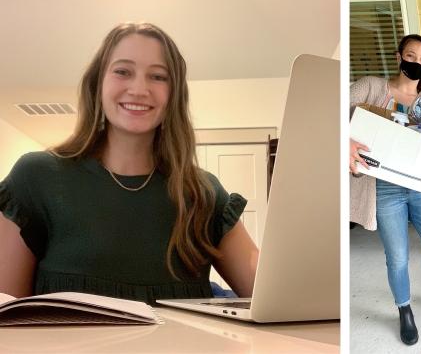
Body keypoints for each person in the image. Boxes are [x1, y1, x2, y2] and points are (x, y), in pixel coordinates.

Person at [0, 23, 259, 305]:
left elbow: (273, 297)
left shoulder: (203, 192)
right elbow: (8, 322)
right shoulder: (36, 178)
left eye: (158, 76)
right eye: (123, 71)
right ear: (98, 83)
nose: (139, 89)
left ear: (174, 96)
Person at [350, 34, 421, 345]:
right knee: (396, 257)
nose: (417, 62)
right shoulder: (370, 87)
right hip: (385, 190)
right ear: (399, 57)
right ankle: (404, 311)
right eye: (411, 56)